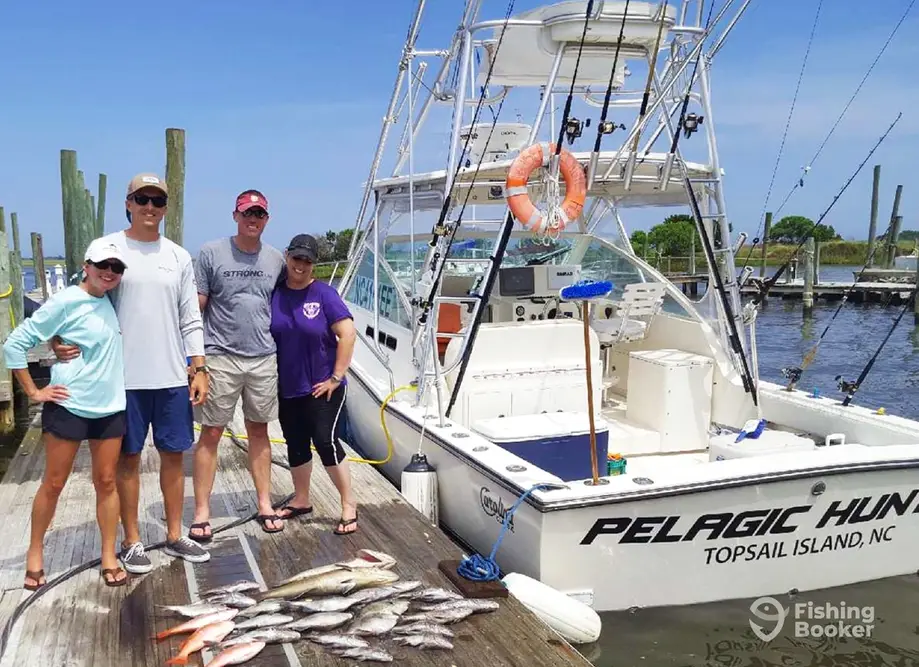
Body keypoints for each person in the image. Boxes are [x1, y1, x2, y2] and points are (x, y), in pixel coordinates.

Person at [51, 173, 211, 573]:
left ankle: (175, 534)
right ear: (128, 203)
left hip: (172, 376)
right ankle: (132, 539)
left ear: (166, 208)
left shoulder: (178, 256)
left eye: (158, 201)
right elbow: (78, 300)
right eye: (143, 199)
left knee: (175, 456)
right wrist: (57, 337)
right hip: (120, 379)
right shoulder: (106, 247)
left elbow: (190, 316)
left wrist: (199, 367)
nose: (150, 208)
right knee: (128, 459)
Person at [4, 239, 131, 589]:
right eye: (103, 265)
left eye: (116, 268)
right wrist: (33, 391)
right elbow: (15, 343)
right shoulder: (64, 300)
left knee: (106, 481)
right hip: (69, 404)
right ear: (86, 265)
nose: (109, 273)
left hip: (110, 407)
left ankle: (108, 555)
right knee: (54, 483)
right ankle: (34, 553)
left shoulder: (112, 299)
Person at [189, 190, 286, 541]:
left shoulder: (276, 259)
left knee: (259, 430)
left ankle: (264, 502)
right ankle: (202, 511)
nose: (253, 219)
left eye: (259, 214)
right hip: (220, 356)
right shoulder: (211, 252)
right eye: (247, 213)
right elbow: (195, 305)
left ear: (266, 220)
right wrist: (193, 360)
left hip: (263, 357)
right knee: (211, 432)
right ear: (235, 215)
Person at [269, 233, 359, 534]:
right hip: (287, 386)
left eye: (307, 260)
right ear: (287, 256)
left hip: (322, 386)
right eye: (296, 258)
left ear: (314, 264)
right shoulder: (276, 292)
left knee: (325, 441)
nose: (301, 265)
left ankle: (348, 504)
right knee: (295, 443)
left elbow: (348, 333)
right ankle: (302, 498)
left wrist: (336, 376)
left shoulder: (324, 294)